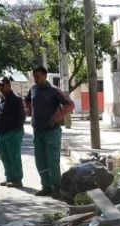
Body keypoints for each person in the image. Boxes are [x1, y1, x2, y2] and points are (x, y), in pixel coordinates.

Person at [24, 65, 75, 197]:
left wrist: (57, 117)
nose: (35, 79)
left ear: (45, 76)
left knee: (52, 161)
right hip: (37, 131)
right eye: (34, 76)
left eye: (38, 76)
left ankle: (56, 188)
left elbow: (70, 105)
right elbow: (27, 100)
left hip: (52, 132)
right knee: (40, 161)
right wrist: (30, 112)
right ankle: (46, 187)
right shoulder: (33, 89)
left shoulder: (54, 91)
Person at [0, 76, 26, 188]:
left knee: (14, 157)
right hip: (1, 133)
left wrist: (14, 131)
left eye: (2, 85)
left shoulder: (16, 99)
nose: (1, 87)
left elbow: (22, 117)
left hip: (12, 134)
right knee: (5, 157)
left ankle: (17, 179)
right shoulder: (0, 99)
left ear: (8, 85)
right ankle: (9, 177)